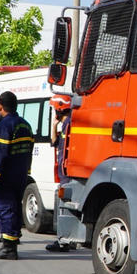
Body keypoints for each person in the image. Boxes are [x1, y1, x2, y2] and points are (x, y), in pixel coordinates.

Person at [0, 91, 32, 260]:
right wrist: (26, 171)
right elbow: (28, 152)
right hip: (20, 175)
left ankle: (8, 248)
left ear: (0, 107)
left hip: (6, 176)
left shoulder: (4, 126)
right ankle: (13, 240)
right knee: (14, 208)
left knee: (4, 208)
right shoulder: (26, 125)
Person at [46, 97, 75, 253]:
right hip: (64, 172)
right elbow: (54, 143)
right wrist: (54, 126)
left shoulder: (69, 123)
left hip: (67, 173)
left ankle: (63, 241)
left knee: (64, 207)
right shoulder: (65, 124)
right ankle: (68, 239)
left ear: (59, 109)